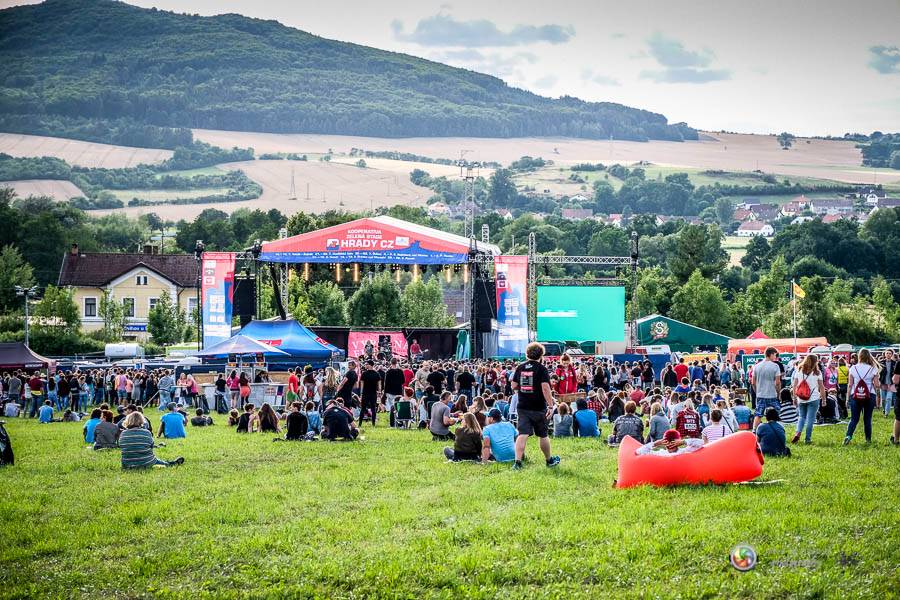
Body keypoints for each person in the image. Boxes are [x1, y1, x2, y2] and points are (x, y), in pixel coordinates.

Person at [510, 342, 560, 469]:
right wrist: (550, 406)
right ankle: (549, 460)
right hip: (538, 407)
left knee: (522, 434)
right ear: (541, 354)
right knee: (543, 434)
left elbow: (514, 385)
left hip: (523, 406)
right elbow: (545, 388)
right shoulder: (541, 369)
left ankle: (517, 462)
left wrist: (524, 388)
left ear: (527, 354)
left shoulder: (520, 367)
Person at [119, 412, 184, 468]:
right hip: (147, 462)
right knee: (161, 462)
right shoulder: (146, 432)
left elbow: (121, 446)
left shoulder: (123, 433)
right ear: (142, 420)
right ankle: (171, 463)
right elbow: (151, 445)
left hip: (126, 464)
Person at [844, 348, 881, 445]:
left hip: (855, 395)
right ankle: (868, 440)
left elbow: (850, 385)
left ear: (859, 356)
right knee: (867, 419)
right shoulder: (873, 369)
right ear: (869, 356)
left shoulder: (853, 368)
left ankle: (848, 436)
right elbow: (877, 385)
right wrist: (878, 399)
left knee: (854, 419)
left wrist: (847, 398)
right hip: (870, 395)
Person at [790, 354, 826, 444]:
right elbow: (822, 387)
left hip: (801, 398)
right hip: (814, 398)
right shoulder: (817, 372)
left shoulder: (799, 370)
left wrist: (794, 398)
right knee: (810, 419)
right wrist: (824, 399)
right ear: (815, 362)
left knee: (801, 416)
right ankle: (807, 439)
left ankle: (798, 433)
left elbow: (794, 385)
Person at [752, 348, 782, 431]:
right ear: (771, 354)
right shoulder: (775, 366)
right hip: (772, 394)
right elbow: (778, 382)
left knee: (758, 414)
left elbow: (753, 382)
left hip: (760, 395)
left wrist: (757, 392)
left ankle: (754, 431)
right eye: (775, 355)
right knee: (776, 414)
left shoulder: (756, 366)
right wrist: (778, 393)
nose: (776, 357)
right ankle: (776, 430)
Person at [635, 429, 704, 456]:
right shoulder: (660, 453)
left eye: (673, 441)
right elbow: (638, 452)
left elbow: (702, 443)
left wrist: (684, 441)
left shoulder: (684, 451)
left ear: (678, 442)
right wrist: (655, 443)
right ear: (663, 442)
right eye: (668, 441)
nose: (670, 444)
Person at [359, 360, 381, 426]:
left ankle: (360, 423)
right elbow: (379, 384)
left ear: (370, 365)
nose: (365, 365)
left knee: (363, 408)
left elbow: (362, 384)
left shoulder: (364, 374)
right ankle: (373, 424)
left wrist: (361, 393)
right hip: (373, 393)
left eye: (366, 364)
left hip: (365, 393)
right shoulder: (376, 374)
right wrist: (379, 392)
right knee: (373, 408)